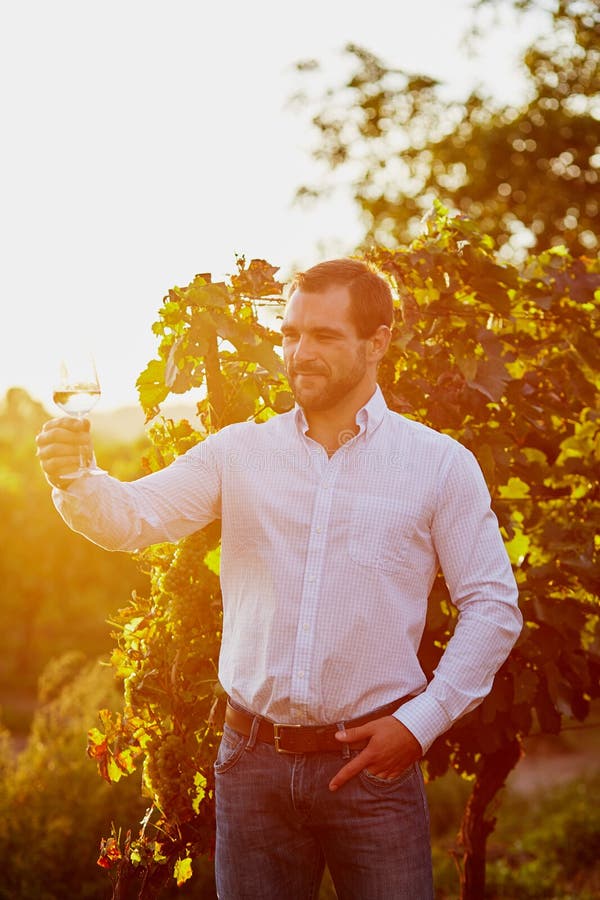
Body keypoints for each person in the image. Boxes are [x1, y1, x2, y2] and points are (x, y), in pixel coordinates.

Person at [36, 258, 522, 900]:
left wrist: (419, 723)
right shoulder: (239, 453)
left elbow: (493, 606)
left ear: (377, 342)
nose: (300, 352)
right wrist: (74, 478)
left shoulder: (438, 465)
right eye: (291, 334)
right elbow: (132, 518)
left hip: (374, 768)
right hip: (251, 766)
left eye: (324, 336)